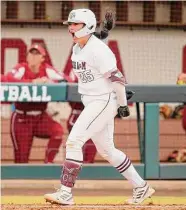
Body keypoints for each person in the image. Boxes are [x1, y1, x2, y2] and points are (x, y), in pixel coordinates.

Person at [44, 8, 154, 205]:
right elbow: (92, 46)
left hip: (102, 101)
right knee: (108, 151)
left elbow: (117, 79)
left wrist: (122, 104)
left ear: (87, 26)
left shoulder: (99, 50)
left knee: (74, 141)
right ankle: (141, 187)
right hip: (92, 101)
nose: (70, 28)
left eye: (75, 24)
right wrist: (103, 33)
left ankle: (65, 192)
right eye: (70, 24)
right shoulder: (79, 47)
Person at [2, 43, 70, 163]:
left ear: (42, 58)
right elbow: (8, 79)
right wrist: (33, 82)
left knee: (57, 132)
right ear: (27, 56)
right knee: (21, 160)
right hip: (21, 118)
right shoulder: (21, 68)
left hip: (40, 116)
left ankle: (48, 163)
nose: (33, 56)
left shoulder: (47, 69)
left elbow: (66, 79)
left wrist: (50, 81)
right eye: (31, 53)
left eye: (37, 54)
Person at [67, 10, 116, 163]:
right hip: (81, 108)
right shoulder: (76, 57)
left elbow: (96, 41)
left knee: (102, 149)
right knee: (74, 143)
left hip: (98, 105)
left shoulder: (95, 51)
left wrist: (106, 31)